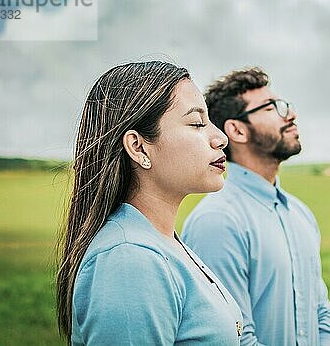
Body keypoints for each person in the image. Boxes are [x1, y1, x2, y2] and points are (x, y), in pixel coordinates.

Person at [55, 61, 243, 345]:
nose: (220, 138)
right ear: (138, 147)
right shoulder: (130, 259)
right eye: (196, 123)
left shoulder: (161, 242)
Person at [181, 67, 330, 345]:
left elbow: (321, 314)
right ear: (237, 130)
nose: (289, 115)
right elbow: (234, 338)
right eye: (271, 108)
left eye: (284, 106)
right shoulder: (217, 221)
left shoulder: (300, 214)